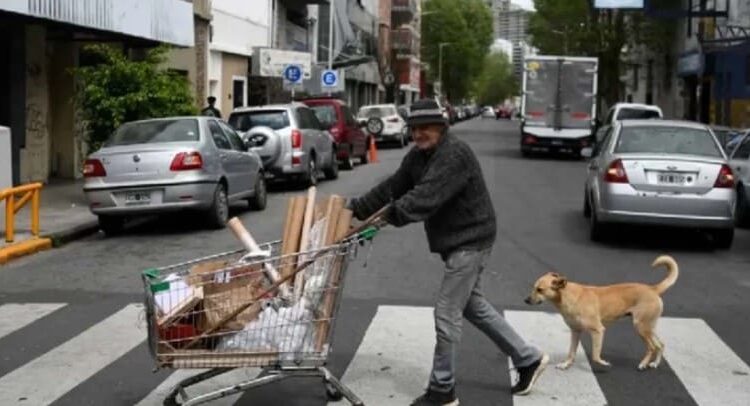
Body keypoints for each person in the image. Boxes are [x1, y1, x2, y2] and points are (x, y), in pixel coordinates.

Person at [347, 98, 549, 406]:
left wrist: (382, 220)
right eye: (414, 129)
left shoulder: (454, 155)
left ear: (441, 127)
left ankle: (442, 391)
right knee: (472, 306)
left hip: (471, 239)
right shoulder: (417, 157)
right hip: (457, 240)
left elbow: (424, 198)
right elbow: (394, 187)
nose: (419, 134)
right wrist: (359, 208)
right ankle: (528, 358)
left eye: (426, 128)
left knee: (447, 311)